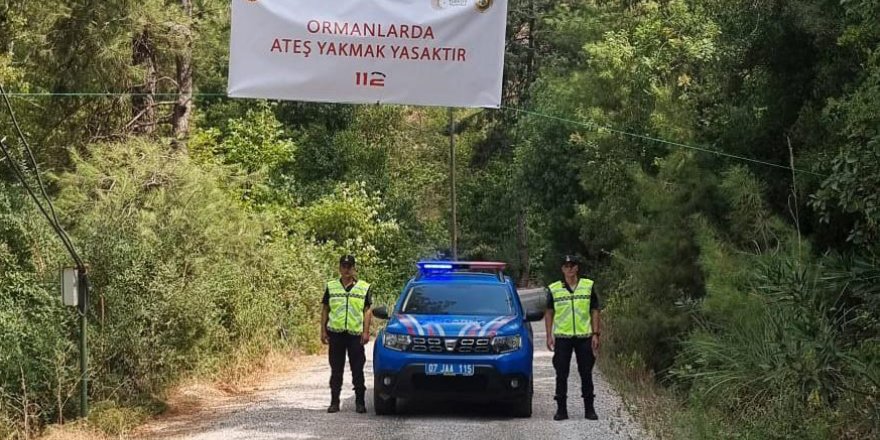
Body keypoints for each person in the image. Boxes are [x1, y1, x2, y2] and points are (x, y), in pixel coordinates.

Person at [544, 254, 602, 421]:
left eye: (572, 265)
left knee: (586, 373)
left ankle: (589, 409)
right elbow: (549, 312)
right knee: (561, 373)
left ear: (577, 267)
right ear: (562, 269)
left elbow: (595, 310)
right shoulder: (554, 288)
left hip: (584, 336)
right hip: (563, 337)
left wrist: (596, 334)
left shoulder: (588, 286)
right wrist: (549, 335)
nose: (569, 269)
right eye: (566, 266)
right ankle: (561, 409)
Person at [321, 254, 372, 413]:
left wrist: (365, 331)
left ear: (354, 268)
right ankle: (334, 402)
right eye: (343, 266)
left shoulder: (364, 287)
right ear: (339, 268)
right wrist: (323, 330)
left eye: (349, 266)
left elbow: (367, 310)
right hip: (336, 334)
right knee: (336, 369)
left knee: (357, 369)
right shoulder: (331, 286)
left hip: (355, 334)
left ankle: (360, 402)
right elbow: (325, 309)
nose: (346, 269)